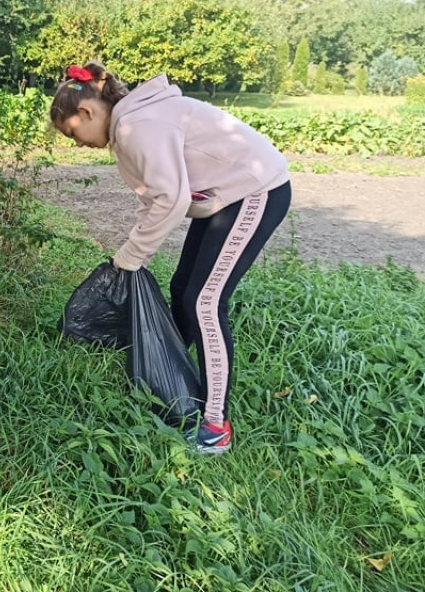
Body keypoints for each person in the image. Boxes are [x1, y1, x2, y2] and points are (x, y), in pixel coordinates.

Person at [49, 61, 291, 454]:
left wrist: (132, 256)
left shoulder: (135, 127)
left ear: (87, 111)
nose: (78, 143)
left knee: (205, 302)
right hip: (224, 198)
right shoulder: (131, 123)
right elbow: (155, 199)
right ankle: (173, 381)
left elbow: (172, 200)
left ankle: (215, 425)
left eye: (73, 133)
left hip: (255, 192)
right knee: (182, 289)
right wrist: (130, 256)